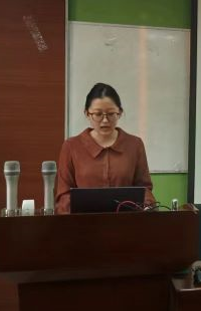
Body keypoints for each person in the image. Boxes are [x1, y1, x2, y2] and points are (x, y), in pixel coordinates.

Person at [55, 82, 156, 214]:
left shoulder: (134, 144)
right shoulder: (71, 146)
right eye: (98, 114)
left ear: (120, 113)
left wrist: (147, 206)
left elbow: (144, 189)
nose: (105, 120)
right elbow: (63, 195)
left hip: (127, 222)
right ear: (87, 113)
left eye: (111, 114)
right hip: (83, 223)